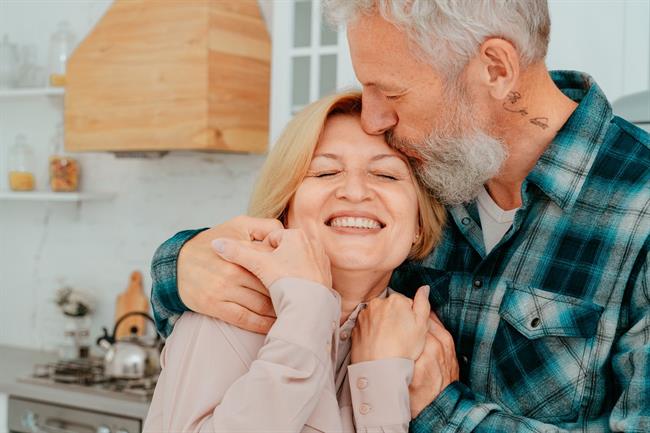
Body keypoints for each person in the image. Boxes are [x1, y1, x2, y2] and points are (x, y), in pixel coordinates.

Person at [150, 1, 650, 431]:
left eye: (391, 93)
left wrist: (437, 406)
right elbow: (310, 241)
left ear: (496, 69)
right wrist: (180, 265)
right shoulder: (436, 166)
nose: (374, 119)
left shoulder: (639, 213)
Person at [143, 92, 449, 433]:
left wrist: (381, 375)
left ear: (419, 225)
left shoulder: (419, 336)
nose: (355, 191)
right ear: (284, 209)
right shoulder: (230, 308)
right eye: (325, 172)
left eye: (387, 175)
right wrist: (308, 312)